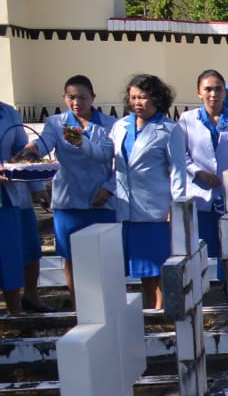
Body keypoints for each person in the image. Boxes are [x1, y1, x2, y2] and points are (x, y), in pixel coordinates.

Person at [20, 76, 117, 304]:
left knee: (104, 255)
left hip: (101, 199)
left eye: (82, 97)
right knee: (71, 256)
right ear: (64, 98)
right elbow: (44, 144)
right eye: (71, 97)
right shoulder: (56, 123)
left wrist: (108, 188)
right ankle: (78, 306)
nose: (77, 102)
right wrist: (32, 150)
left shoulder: (111, 124)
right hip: (68, 200)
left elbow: (121, 163)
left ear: (93, 97)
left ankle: (106, 304)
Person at [109, 75, 186, 310]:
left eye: (142, 97)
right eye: (133, 97)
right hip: (127, 207)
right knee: (142, 266)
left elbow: (178, 171)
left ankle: (161, 311)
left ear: (157, 99)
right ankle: (150, 309)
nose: (137, 102)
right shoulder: (120, 126)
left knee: (158, 264)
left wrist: (176, 206)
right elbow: (111, 162)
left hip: (156, 210)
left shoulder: (169, 129)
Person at [178, 73, 228, 280]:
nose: (213, 94)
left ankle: (227, 286)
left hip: (227, 193)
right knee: (200, 245)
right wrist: (199, 172)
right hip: (199, 192)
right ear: (199, 93)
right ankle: (200, 286)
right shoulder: (187, 119)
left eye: (218, 89)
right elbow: (180, 155)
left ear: (225, 92)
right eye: (208, 89)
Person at [0, 100, 50, 314]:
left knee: (27, 248)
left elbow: (23, 152)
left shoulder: (8, 112)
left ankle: (24, 305)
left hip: (14, 193)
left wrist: (37, 187)